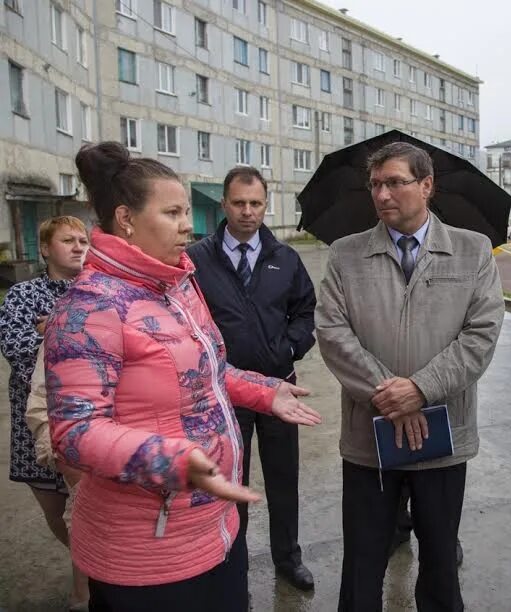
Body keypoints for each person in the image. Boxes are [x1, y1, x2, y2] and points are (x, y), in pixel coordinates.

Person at [43, 142, 322, 611]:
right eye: (172, 212)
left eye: (187, 210)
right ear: (127, 219)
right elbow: (74, 432)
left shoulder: (176, 285)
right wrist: (174, 460)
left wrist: (264, 390)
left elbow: (206, 372)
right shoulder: (91, 306)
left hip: (213, 526)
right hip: (146, 551)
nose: (188, 224)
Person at [316, 141, 504, 611]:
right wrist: (390, 397)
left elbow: (480, 335)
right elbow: (333, 334)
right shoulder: (346, 255)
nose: (382, 195)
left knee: (440, 561)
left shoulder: (472, 251)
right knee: (363, 560)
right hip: (369, 439)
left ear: (426, 185)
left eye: (395, 182)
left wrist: (420, 390)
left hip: (442, 437)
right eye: (375, 184)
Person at [187, 167, 317, 591]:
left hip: (279, 388)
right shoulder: (197, 260)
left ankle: (288, 558)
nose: (247, 212)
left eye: (256, 203)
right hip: (223, 395)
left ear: (266, 205)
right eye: (239, 203)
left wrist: (289, 348)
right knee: (228, 483)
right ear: (223, 204)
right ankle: (231, 564)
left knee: (283, 480)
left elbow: (305, 312)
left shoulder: (285, 258)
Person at [0, 215, 90, 610]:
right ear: (46, 248)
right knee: (55, 513)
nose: (78, 247)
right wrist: (61, 333)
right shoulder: (21, 295)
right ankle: (91, 562)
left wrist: (50, 331)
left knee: (87, 509)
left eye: (83, 240)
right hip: (36, 424)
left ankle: (84, 590)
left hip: (88, 418)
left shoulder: (96, 290)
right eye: (68, 240)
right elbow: (17, 352)